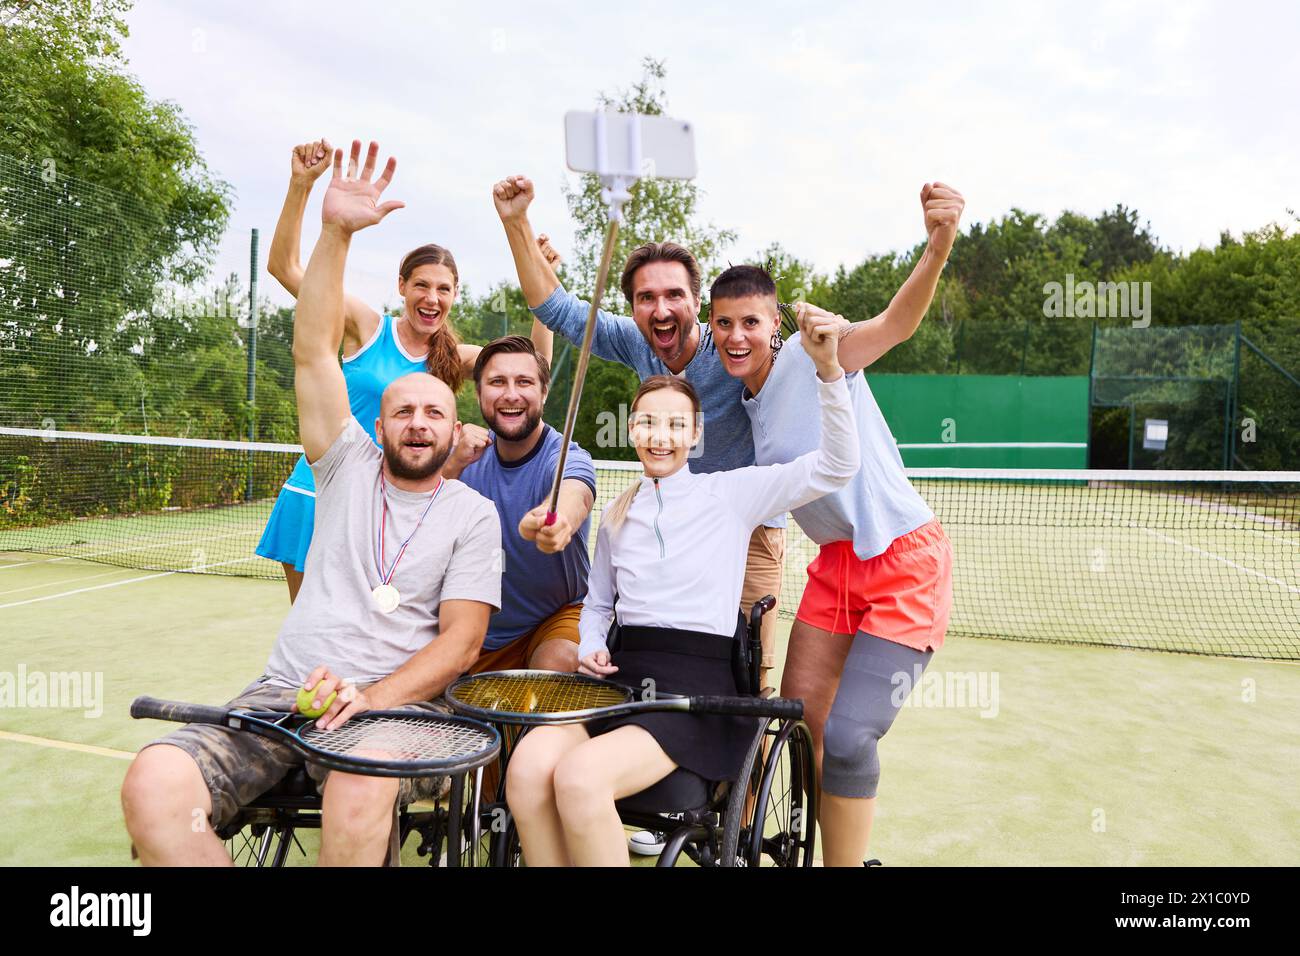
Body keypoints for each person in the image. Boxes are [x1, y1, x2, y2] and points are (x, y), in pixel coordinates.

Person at [121, 140, 502, 867]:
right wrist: (335, 230)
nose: (418, 422)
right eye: (402, 412)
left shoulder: (470, 516)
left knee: (359, 790)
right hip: (281, 697)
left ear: (456, 429)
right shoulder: (346, 465)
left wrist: (370, 694)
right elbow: (313, 353)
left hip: (393, 711)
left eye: (433, 412)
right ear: (377, 424)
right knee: (153, 783)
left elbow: (460, 646)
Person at [503, 312, 859, 866]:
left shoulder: (733, 494)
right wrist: (594, 643)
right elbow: (598, 605)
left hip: (694, 692)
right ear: (632, 430)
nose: (660, 437)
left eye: (674, 425)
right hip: (619, 682)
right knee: (526, 769)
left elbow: (838, 466)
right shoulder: (620, 513)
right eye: (648, 423)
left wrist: (830, 372)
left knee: (578, 777)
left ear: (695, 434)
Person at [708, 180, 964, 867]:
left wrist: (936, 248)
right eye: (724, 324)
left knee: (850, 737)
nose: (737, 336)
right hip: (834, 567)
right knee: (796, 723)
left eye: (750, 322)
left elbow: (896, 325)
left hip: (905, 560)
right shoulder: (742, 401)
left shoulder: (812, 352)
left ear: (774, 326)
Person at [491, 175, 788, 693]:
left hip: (747, 527)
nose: (661, 308)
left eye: (675, 294)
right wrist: (516, 222)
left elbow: (801, 355)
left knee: (749, 682)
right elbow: (556, 310)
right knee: (659, 661)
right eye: (646, 297)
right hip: (668, 518)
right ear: (633, 308)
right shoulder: (638, 343)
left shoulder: (735, 344)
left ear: (699, 302)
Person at [256, 139, 556, 602]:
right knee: (317, 628)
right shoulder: (365, 325)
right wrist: (301, 186)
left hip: (394, 507)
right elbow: (284, 267)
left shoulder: (455, 358)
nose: (431, 298)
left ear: (455, 295)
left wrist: (544, 285)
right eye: (421, 285)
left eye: (443, 289)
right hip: (321, 495)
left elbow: (534, 370)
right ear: (402, 286)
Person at [441, 334, 597, 674]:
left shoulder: (567, 455)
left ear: (543, 392)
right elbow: (416, 518)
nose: (511, 394)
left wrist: (556, 520)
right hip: (477, 627)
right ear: (479, 393)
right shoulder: (461, 457)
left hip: (555, 618)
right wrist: (451, 466)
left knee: (558, 661)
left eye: (524, 382)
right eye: (497, 382)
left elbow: (575, 494)